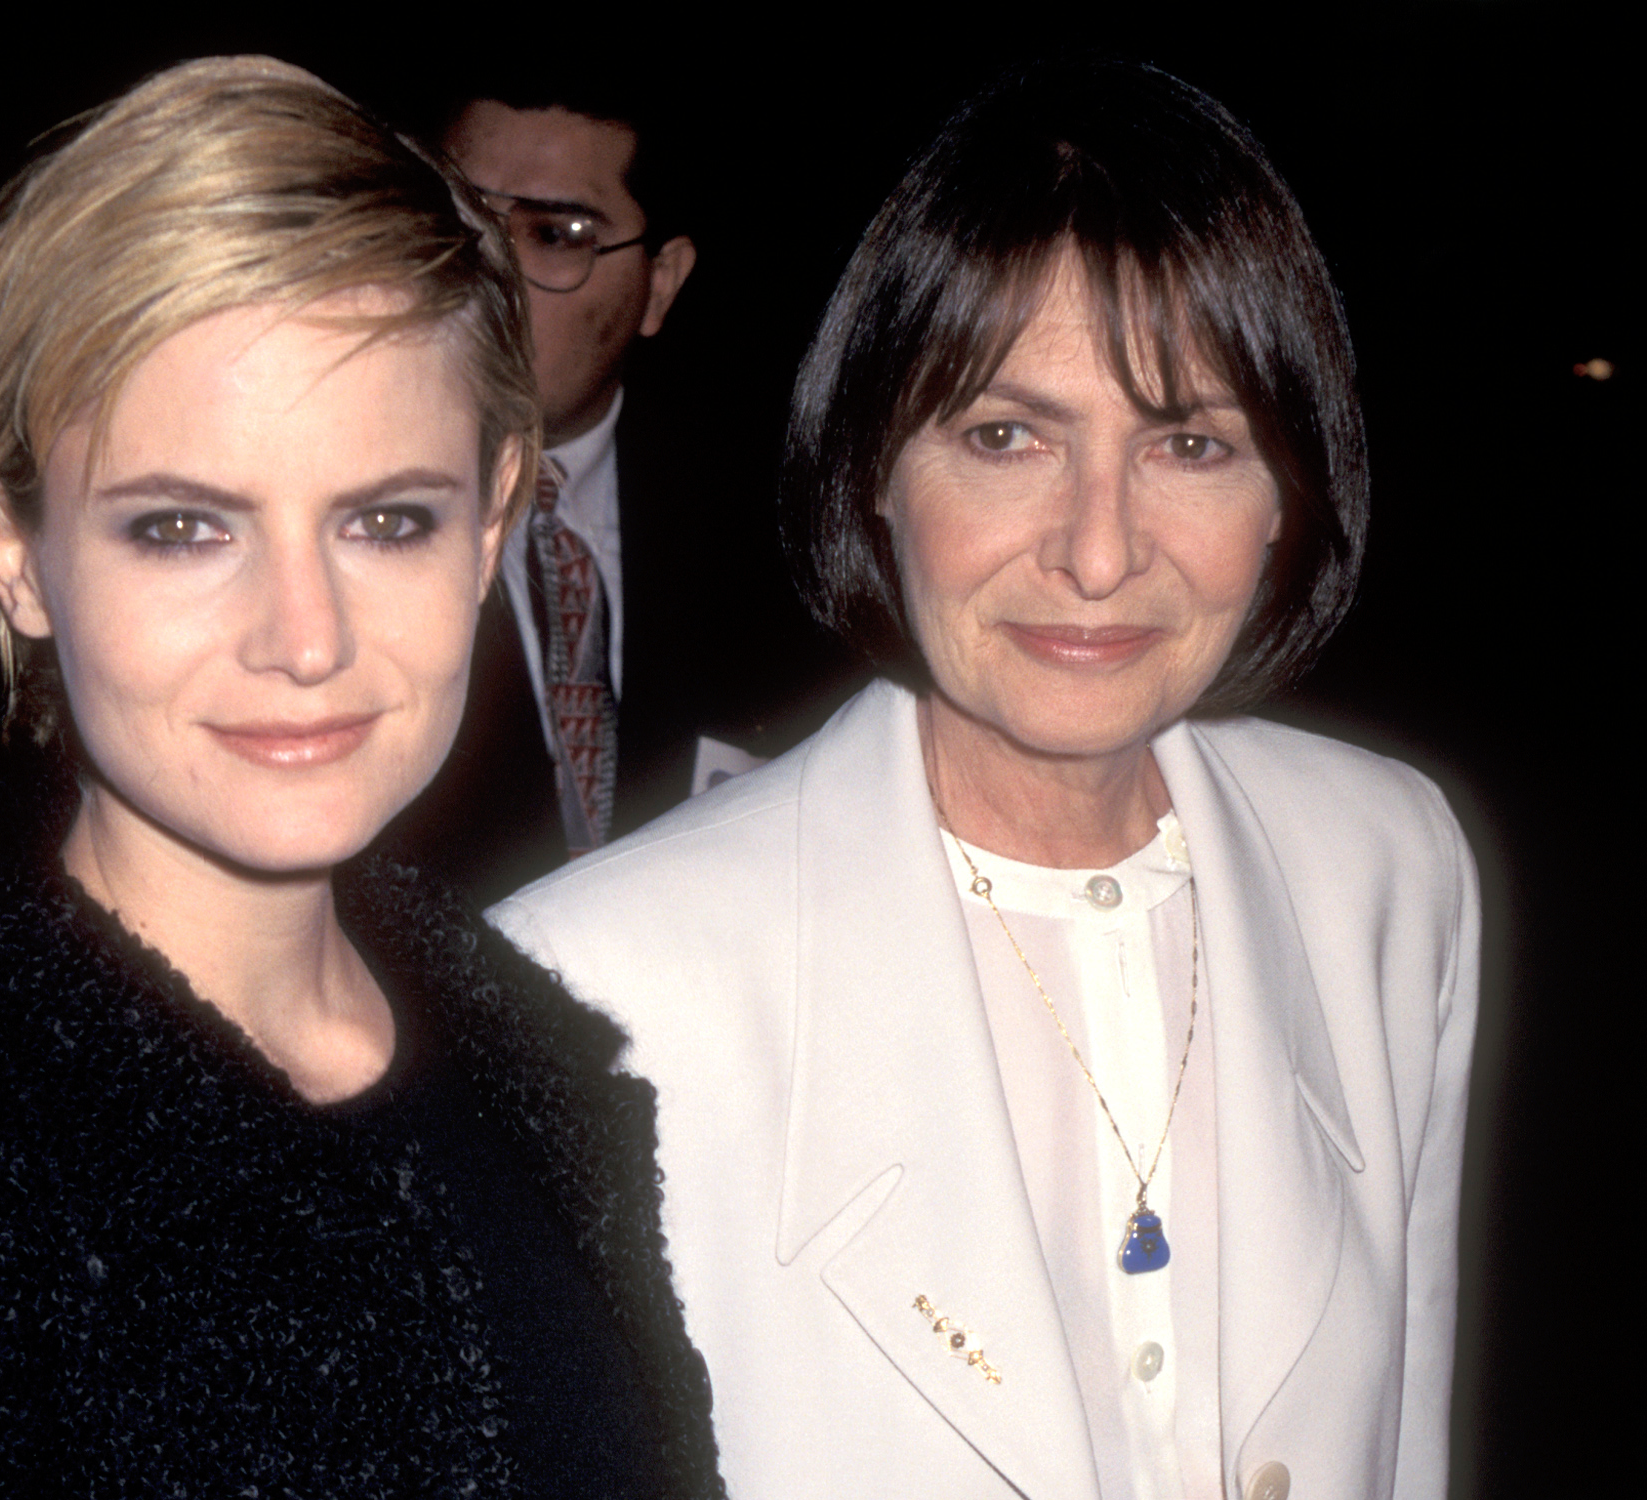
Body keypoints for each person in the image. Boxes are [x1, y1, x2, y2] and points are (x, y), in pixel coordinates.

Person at [0, 58, 723, 1499]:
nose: (306, 639)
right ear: (10, 546)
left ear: (495, 514)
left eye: (386, 520)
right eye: (184, 529)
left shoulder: (545, 1073)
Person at [491, 60, 1477, 1500]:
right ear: (875, 466)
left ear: (1288, 498)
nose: (1095, 552)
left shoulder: (1390, 864)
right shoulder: (591, 989)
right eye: (1006, 436)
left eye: (1191, 444)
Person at [376, 78, 844, 904]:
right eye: (460, 218)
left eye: (555, 234)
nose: (488, 271)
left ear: (660, 284)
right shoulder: (340, 513)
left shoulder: (785, 533)